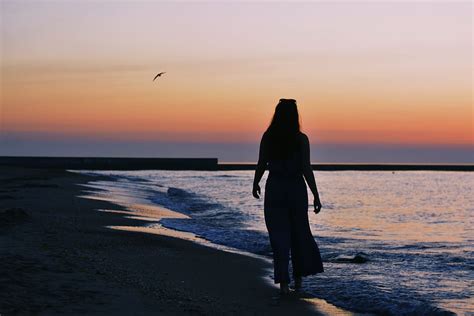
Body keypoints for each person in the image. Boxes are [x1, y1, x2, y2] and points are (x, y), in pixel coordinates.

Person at [252, 98, 324, 294]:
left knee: (279, 236)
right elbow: (306, 168)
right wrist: (316, 195)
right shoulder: (301, 139)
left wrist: (255, 182)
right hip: (296, 188)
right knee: (299, 233)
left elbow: (261, 163)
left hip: (275, 187)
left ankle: (284, 283)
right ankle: (298, 280)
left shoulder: (269, 137)